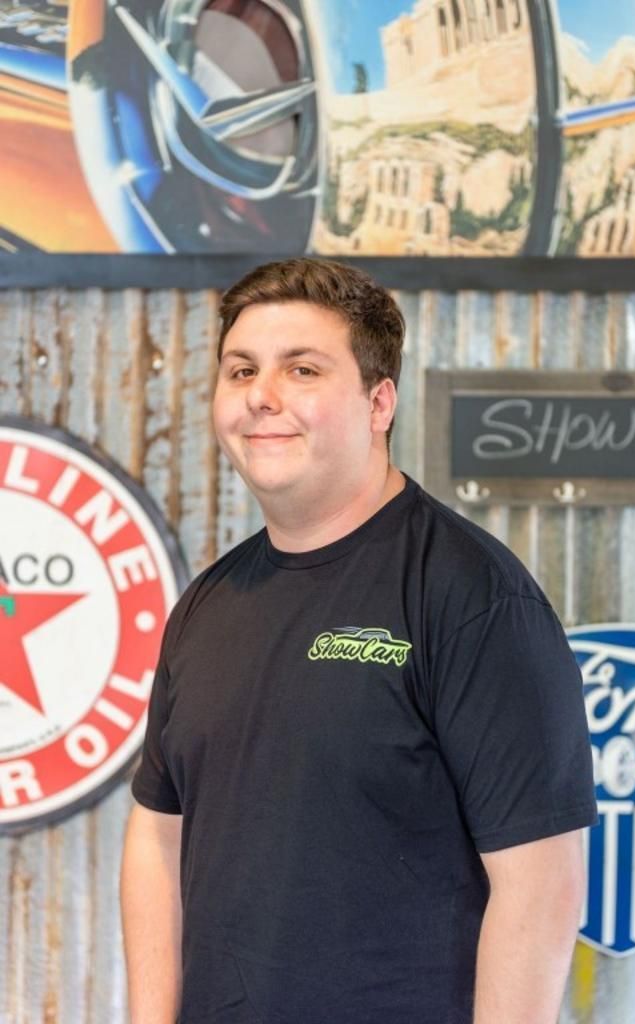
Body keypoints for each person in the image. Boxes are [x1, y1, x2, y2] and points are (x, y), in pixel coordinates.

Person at [120, 258, 597, 1024]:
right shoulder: (207, 605)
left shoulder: (473, 598)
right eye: (241, 370)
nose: (261, 396)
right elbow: (158, 831)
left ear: (380, 402)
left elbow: (541, 882)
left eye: (302, 369)